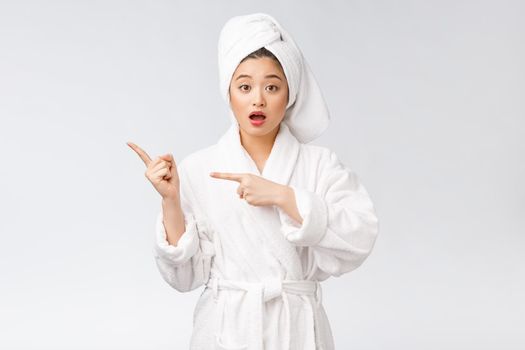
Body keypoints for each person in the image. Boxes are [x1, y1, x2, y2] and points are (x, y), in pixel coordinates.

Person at [128, 13, 379, 350]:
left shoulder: (319, 164)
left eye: (272, 87)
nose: (258, 99)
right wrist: (170, 200)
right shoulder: (199, 167)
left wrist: (285, 197)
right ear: (228, 92)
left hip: (297, 332)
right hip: (226, 331)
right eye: (244, 86)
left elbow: (360, 237)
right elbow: (184, 276)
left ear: (289, 94)